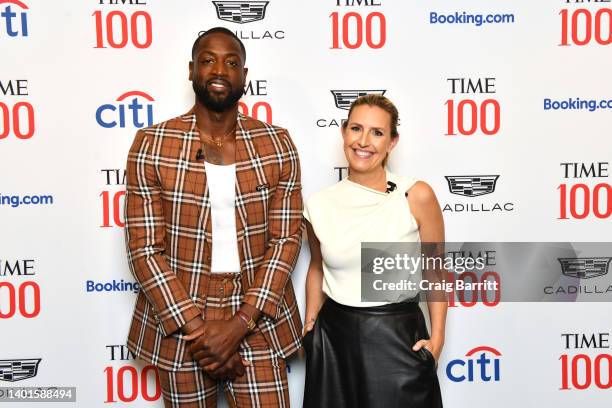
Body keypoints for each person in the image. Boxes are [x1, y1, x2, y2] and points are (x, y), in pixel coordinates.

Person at [124, 27, 304, 407]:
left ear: (244, 76)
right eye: (208, 60)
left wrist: (239, 325)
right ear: (191, 71)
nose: (219, 69)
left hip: (256, 312)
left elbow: (286, 239)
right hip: (183, 317)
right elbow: (144, 250)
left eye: (231, 62)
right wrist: (199, 330)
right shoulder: (152, 144)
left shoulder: (277, 143)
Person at [302, 94, 446, 408]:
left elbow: (434, 270)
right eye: (356, 129)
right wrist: (310, 325)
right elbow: (317, 266)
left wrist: (437, 340)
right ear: (344, 133)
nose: (363, 141)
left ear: (392, 142)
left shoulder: (414, 194)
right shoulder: (319, 203)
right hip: (334, 341)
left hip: (396, 337)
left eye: (377, 133)